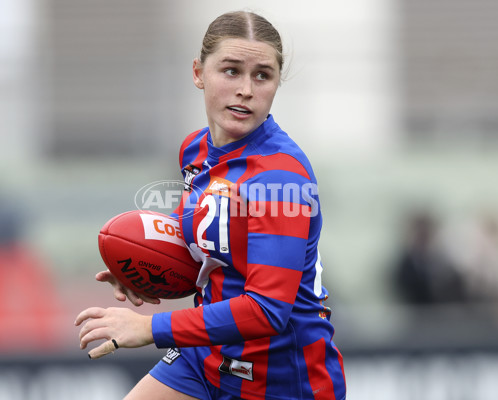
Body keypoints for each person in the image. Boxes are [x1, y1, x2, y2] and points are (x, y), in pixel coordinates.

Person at [75, 11, 346, 400]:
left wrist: (150, 328)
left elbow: (268, 310)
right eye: (231, 71)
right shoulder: (195, 149)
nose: (246, 90)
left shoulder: (280, 178)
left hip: (281, 381)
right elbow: (207, 231)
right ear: (198, 73)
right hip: (203, 358)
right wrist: (142, 266)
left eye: (262, 75)